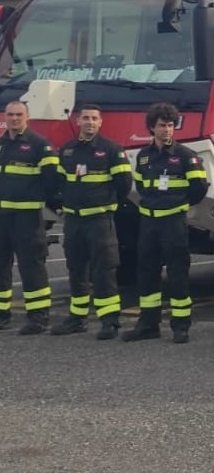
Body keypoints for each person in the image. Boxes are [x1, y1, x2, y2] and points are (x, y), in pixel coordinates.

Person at [122, 103, 209, 344]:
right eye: (162, 125)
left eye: (171, 125)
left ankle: (181, 326)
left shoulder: (185, 156)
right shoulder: (143, 156)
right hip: (149, 222)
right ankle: (148, 324)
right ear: (152, 127)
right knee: (147, 272)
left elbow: (199, 188)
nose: (167, 130)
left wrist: (179, 204)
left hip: (174, 222)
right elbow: (139, 187)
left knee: (178, 273)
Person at [51, 104, 133, 340]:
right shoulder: (67, 151)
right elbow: (58, 183)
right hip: (74, 222)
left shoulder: (111, 150)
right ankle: (77, 319)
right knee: (76, 269)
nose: (89, 122)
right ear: (78, 121)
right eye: (85, 118)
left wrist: (108, 204)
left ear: (100, 122)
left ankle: (109, 321)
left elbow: (124, 184)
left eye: (94, 118)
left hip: (99, 221)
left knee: (103, 271)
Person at [0, 100, 60, 334]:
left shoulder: (40, 145)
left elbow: (52, 182)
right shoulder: (2, 144)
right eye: (10, 114)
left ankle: (38, 317)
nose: (14, 119)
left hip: (28, 217)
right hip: (2, 217)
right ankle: (2, 314)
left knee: (31, 266)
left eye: (19, 114)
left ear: (28, 117)